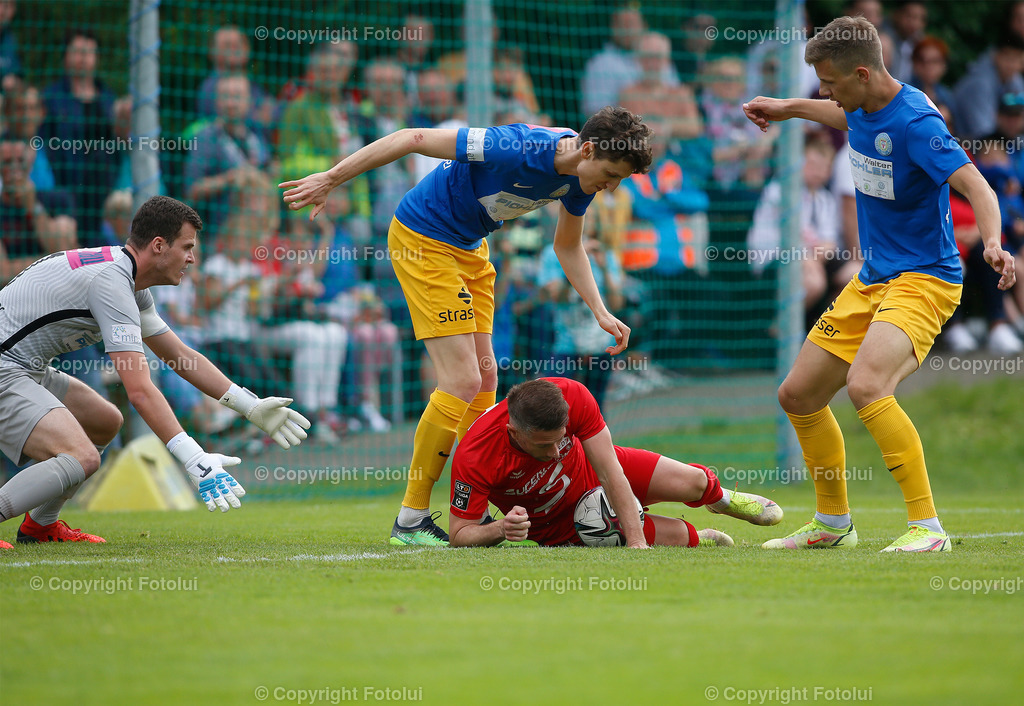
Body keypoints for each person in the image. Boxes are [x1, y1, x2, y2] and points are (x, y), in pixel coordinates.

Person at [281, 106, 649, 546]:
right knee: (460, 379)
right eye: (609, 175)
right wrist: (331, 178)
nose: (609, 187)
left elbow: (567, 246)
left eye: (618, 180)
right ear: (587, 149)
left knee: (486, 377)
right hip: (423, 238)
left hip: (469, 248)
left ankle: (471, 509)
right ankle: (412, 518)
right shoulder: (514, 146)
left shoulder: (582, 176)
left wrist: (601, 310)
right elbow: (411, 136)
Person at [743, 16, 1016, 552]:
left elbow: (978, 186)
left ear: (863, 73)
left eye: (830, 81)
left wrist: (991, 244)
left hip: (926, 279)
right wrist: (786, 107)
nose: (824, 91)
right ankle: (832, 525)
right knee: (797, 395)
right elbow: (841, 116)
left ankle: (927, 529)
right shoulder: (860, 106)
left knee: (869, 387)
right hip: (872, 280)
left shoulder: (919, 123)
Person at [0, 196, 311, 549]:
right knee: (82, 456)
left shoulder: (129, 281)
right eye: (187, 247)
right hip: (6, 369)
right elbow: (141, 391)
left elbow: (179, 355)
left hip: (24, 367)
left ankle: (40, 526)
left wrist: (248, 406)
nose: (192, 258)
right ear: (159, 245)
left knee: (104, 420)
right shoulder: (113, 284)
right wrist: (194, 458)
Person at [447, 377, 783, 548]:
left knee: (694, 481)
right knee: (684, 538)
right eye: (542, 445)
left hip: (597, 471)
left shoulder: (573, 395)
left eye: (559, 439)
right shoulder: (475, 456)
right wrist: (500, 528)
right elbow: (460, 534)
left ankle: (721, 499)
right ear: (513, 432)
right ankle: (701, 535)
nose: (553, 453)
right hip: (564, 523)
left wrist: (637, 545)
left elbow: (609, 471)